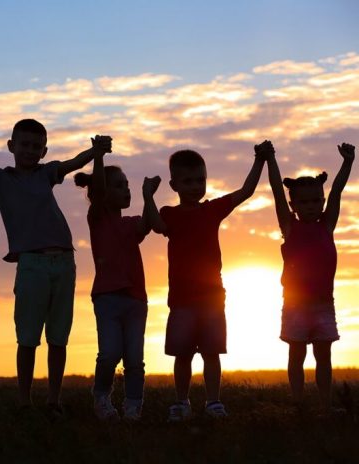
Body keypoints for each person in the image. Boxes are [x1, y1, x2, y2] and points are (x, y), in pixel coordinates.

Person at [0, 116, 111, 416]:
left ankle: (53, 401)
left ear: (44, 151)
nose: (29, 151)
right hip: (31, 264)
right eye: (24, 145)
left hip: (64, 262)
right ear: (11, 146)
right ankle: (25, 401)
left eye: (36, 147)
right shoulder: (0, 177)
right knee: (28, 337)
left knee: (58, 337)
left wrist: (96, 151)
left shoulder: (47, 172)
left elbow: (74, 162)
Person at [143, 147, 266, 421]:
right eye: (187, 181)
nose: (195, 186)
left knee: (212, 353)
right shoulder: (170, 214)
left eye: (200, 180)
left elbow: (246, 191)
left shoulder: (212, 209)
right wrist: (147, 196)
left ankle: (213, 402)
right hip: (182, 301)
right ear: (174, 185)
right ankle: (181, 402)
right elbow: (156, 226)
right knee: (182, 355)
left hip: (212, 299)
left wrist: (259, 160)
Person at [262, 140, 354, 414]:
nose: (311, 206)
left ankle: (325, 405)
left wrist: (348, 161)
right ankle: (298, 404)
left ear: (322, 202)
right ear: (294, 205)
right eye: (304, 201)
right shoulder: (289, 227)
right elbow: (277, 191)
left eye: (316, 200)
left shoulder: (327, 225)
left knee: (323, 357)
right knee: (297, 355)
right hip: (295, 306)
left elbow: (337, 190)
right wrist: (270, 159)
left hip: (324, 305)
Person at [74, 150, 160, 422]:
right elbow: (98, 189)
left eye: (127, 185)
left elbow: (147, 224)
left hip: (136, 300)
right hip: (107, 299)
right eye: (119, 185)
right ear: (102, 192)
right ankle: (101, 397)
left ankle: (133, 406)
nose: (126, 190)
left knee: (134, 359)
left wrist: (148, 195)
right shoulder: (98, 218)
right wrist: (99, 156)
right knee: (110, 354)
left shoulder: (131, 224)